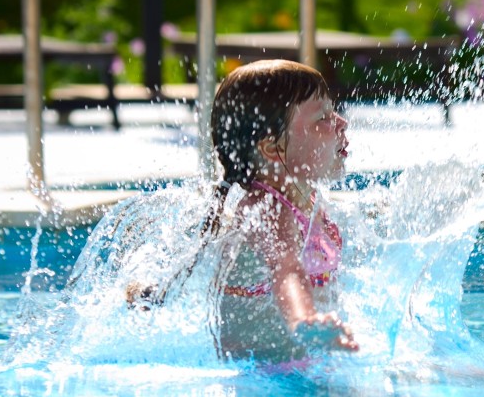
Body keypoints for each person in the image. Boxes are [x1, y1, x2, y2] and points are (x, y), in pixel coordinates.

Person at [128, 59, 358, 360]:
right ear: (273, 148)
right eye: (323, 118)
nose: (342, 122)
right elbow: (286, 268)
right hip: (264, 369)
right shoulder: (267, 209)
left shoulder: (306, 199)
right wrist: (304, 321)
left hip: (299, 359)